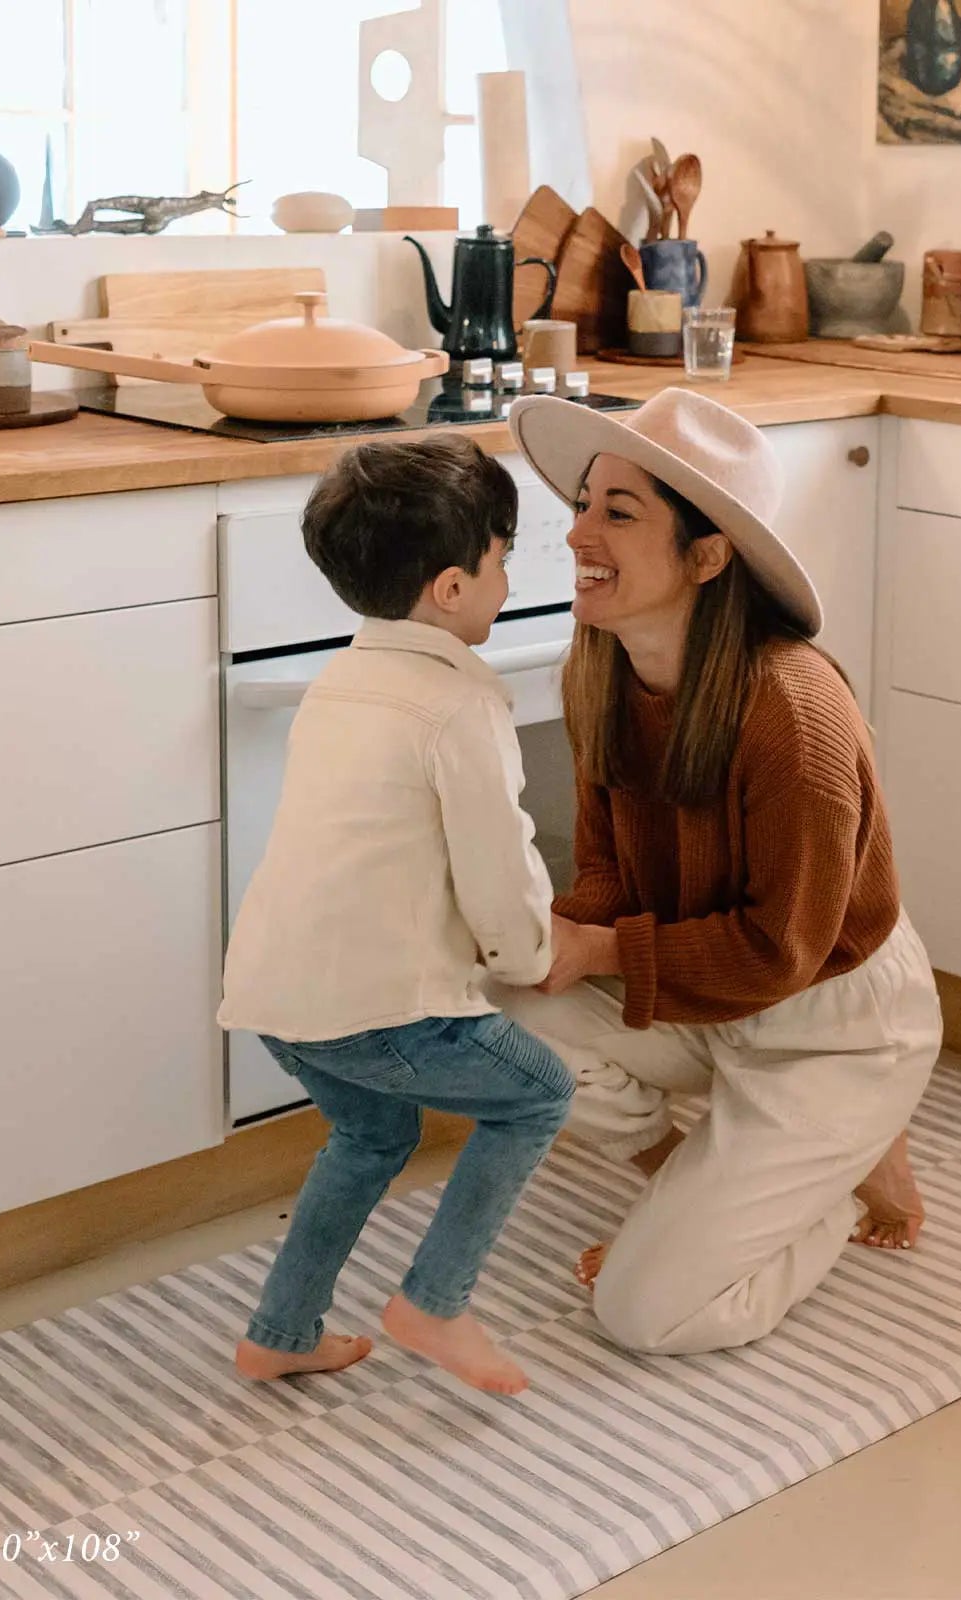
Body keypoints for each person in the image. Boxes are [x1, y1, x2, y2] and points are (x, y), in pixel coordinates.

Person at [497, 386, 943, 1358]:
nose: (576, 534)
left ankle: (835, 1170)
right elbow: (610, 862)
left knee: (644, 1312)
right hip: (721, 1000)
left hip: (832, 1026)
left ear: (707, 555)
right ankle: (713, 1176)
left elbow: (778, 950)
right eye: (582, 502)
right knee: (491, 1004)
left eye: (617, 513)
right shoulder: (607, 667)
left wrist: (602, 946)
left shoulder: (793, 716)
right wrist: (560, 939)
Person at [218, 435, 573, 1396]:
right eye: (504, 557)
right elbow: (500, 865)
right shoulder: (460, 705)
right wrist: (529, 955)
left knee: (373, 1136)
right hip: (383, 1006)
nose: (510, 575)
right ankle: (434, 1302)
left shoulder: (341, 679)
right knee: (538, 1093)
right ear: (453, 588)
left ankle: (280, 1332)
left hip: (268, 994)